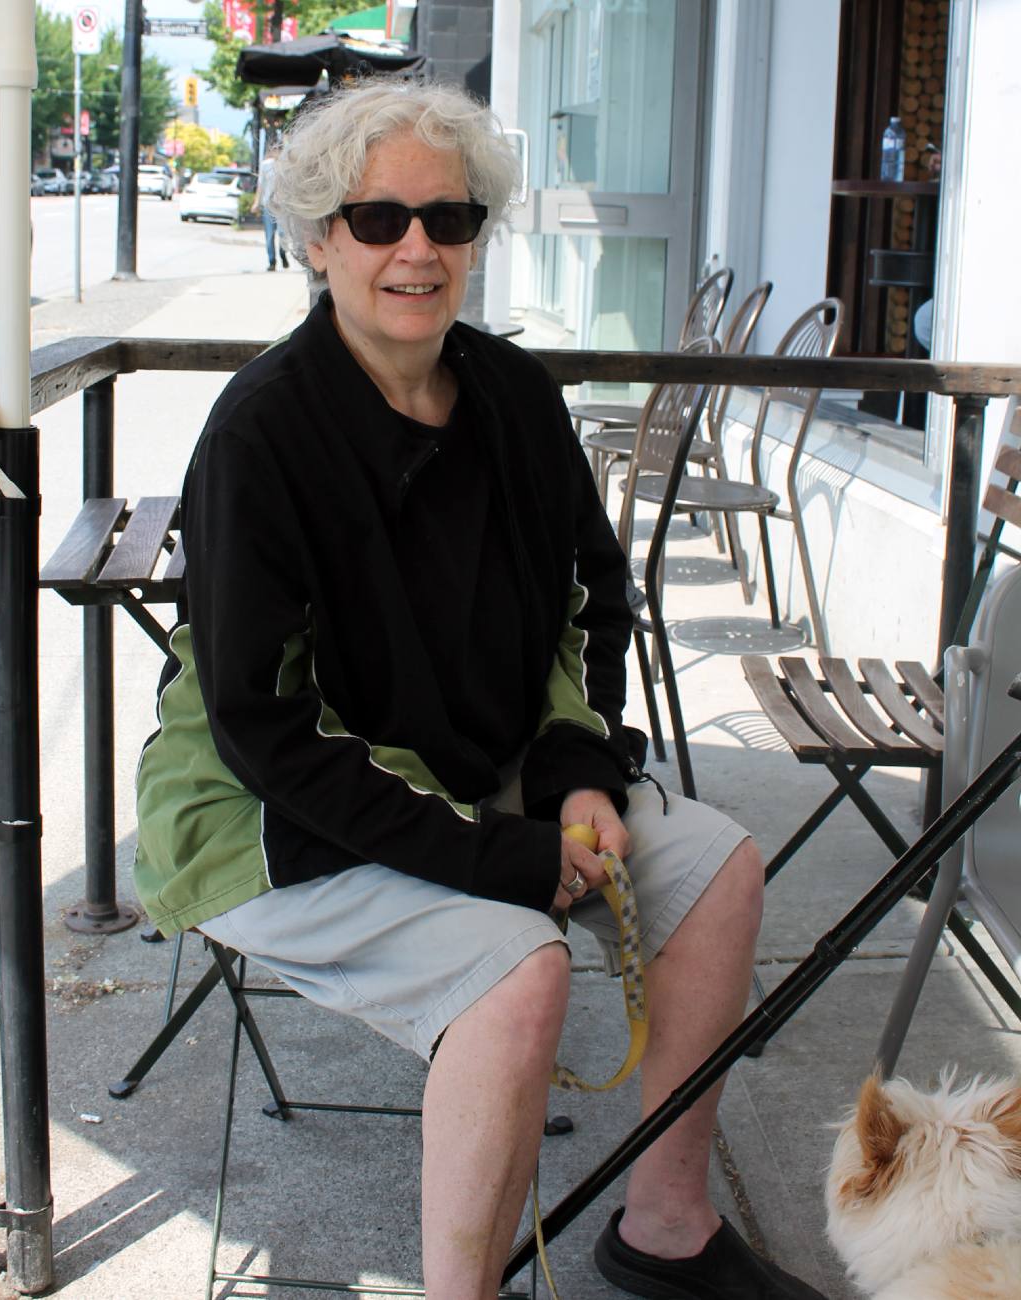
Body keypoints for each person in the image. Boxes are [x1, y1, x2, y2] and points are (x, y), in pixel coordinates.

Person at [133, 79, 824, 1300]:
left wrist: (576, 775)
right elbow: (260, 727)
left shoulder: (512, 396)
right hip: (268, 812)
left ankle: (666, 1228)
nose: (417, 249)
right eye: (379, 219)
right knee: (521, 971)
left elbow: (591, 602)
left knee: (718, 871)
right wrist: (501, 858)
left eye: (448, 221)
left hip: (486, 766)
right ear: (317, 238)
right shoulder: (263, 435)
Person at [252, 144, 290, 271]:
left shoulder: (286, 165)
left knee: (282, 233)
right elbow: (261, 185)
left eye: (279, 149)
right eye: (274, 149)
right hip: (268, 204)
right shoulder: (266, 165)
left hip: (282, 206)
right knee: (269, 236)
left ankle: (283, 254)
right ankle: (272, 261)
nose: (276, 152)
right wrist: (256, 203)